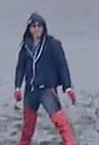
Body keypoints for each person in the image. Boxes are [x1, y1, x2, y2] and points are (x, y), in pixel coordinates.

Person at [12, 13, 77, 145]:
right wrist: (17, 87)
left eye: (39, 26)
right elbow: (20, 68)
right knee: (28, 125)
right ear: (29, 29)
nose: (36, 29)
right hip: (31, 91)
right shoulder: (26, 47)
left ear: (43, 27)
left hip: (47, 90)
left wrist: (68, 87)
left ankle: (70, 143)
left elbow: (62, 66)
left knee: (60, 120)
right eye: (33, 26)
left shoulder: (52, 44)